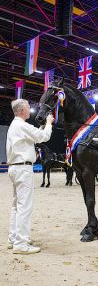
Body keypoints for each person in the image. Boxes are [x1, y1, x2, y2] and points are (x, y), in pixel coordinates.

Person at [6, 99, 54, 254]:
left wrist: (41, 128)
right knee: (24, 207)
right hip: (23, 169)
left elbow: (34, 136)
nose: (30, 109)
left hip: (15, 168)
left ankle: (14, 238)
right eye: (28, 107)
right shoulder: (21, 125)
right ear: (21, 111)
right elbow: (43, 137)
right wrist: (49, 123)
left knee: (16, 206)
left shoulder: (16, 125)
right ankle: (21, 244)